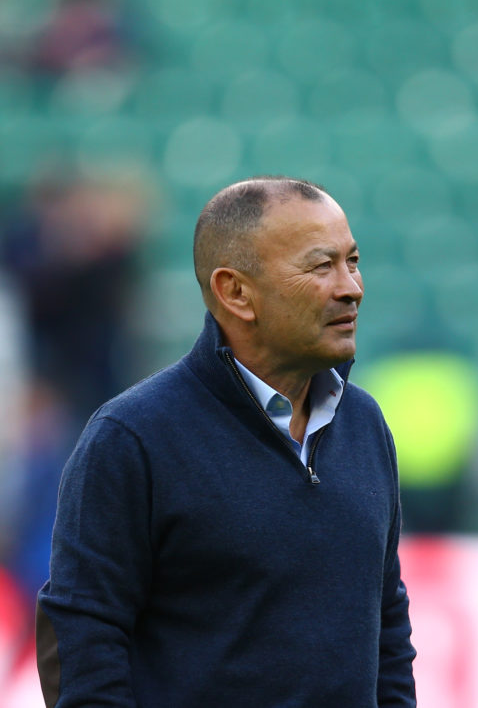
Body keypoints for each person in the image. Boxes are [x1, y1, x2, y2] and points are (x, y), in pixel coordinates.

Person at [36, 176, 417, 707]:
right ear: (235, 292)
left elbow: (388, 626)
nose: (350, 286)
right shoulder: (132, 439)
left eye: (352, 261)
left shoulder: (366, 424)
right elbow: (84, 636)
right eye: (320, 266)